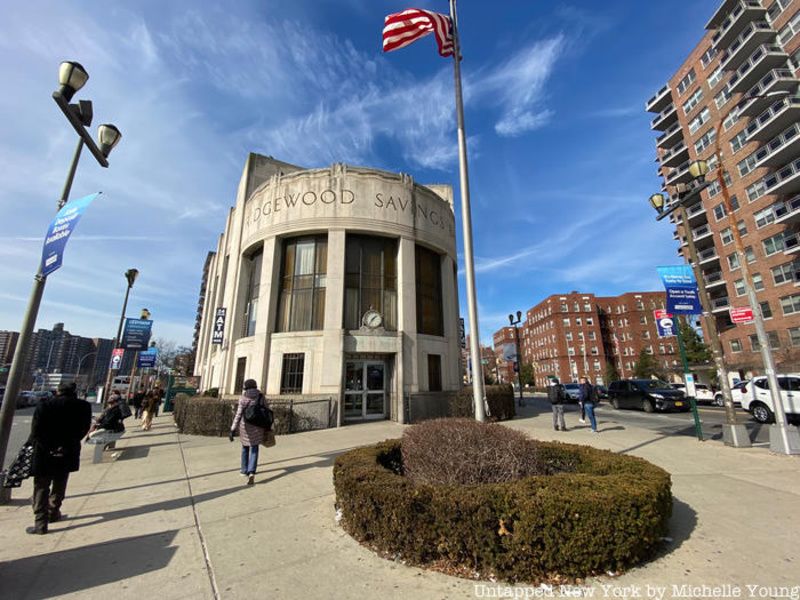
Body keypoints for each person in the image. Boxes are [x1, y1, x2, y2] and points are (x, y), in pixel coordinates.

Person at [27, 382, 92, 534]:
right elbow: (84, 428)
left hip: (44, 451)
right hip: (68, 451)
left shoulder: (45, 405)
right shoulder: (83, 406)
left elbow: (36, 431)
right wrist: (67, 445)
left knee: (41, 486)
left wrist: (49, 447)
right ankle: (53, 511)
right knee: (60, 483)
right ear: (74, 391)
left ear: (58, 391)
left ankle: (40, 522)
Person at [229, 379, 268, 486]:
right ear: (255, 386)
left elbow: (238, 414)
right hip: (257, 426)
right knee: (255, 449)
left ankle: (244, 470)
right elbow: (266, 409)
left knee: (245, 448)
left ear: (245, 387)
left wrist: (232, 429)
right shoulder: (260, 396)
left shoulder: (243, 398)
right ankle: (252, 471)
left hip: (245, 426)